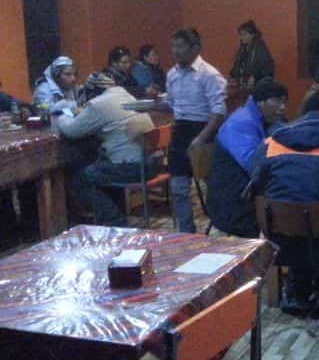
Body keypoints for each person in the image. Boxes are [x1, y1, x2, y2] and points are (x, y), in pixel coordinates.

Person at [250, 89, 319, 320]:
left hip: (278, 242)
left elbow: (255, 180)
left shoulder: (272, 140)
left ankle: (296, 293)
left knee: (300, 219)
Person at [56, 72, 155, 226]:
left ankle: (116, 222)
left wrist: (61, 115)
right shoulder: (123, 93)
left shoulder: (98, 104)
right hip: (152, 163)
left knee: (84, 177)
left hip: (132, 168)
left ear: (92, 91)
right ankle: (115, 216)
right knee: (103, 168)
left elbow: (71, 130)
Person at [207, 79, 288, 238]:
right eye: (277, 101)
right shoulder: (240, 123)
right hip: (233, 204)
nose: (283, 107)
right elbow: (254, 165)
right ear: (260, 102)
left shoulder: (262, 119)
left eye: (285, 102)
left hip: (248, 196)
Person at [165, 28, 227, 233]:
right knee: (179, 189)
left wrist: (201, 138)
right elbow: (172, 104)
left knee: (213, 187)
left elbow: (219, 111)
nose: (175, 51)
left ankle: (218, 228)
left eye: (180, 46)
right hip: (180, 131)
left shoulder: (209, 74)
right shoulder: (172, 74)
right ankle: (186, 233)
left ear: (195, 49)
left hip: (204, 131)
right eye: (173, 46)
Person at [0, 87, 36, 240]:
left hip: (7, 148)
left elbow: (23, 105)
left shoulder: (2, 97)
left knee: (29, 177)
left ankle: (30, 229)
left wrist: (23, 109)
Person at [230, 20, 275, 86]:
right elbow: (236, 67)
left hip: (257, 87)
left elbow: (268, 70)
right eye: (241, 34)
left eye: (244, 34)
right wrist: (232, 76)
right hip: (243, 85)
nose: (241, 37)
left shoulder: (260, 49)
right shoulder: (242, 49)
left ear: (252, 35)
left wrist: (256, 78)